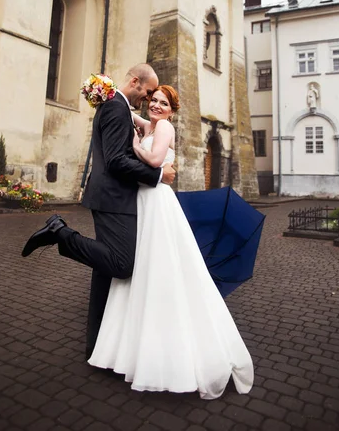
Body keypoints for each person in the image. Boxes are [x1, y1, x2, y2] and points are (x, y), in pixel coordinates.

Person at [88, 85, 254, 400]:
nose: (157, 106)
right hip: (142, 201)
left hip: (156, 201)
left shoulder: (163, 127)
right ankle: (129, 346)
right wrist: (104, 91)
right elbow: (127, 113)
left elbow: (153, 160)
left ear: (172, 110)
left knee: (159, 266)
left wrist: (136, 145)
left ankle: (163, 347)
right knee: (141, 266)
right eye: (154, 101)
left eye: (164, 103)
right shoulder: (150, 123)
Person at [21, 64, 176, 358]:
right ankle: (60, 232)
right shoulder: (117, 107)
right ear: (135, 81)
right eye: (147, 92)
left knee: (105, 269)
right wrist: (158, 176)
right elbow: (117, 161)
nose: (148, 99)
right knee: (121, 264)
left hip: (114, 198)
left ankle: (98, 341)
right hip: (114, 199)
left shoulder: (117, 105)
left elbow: (135, 135)